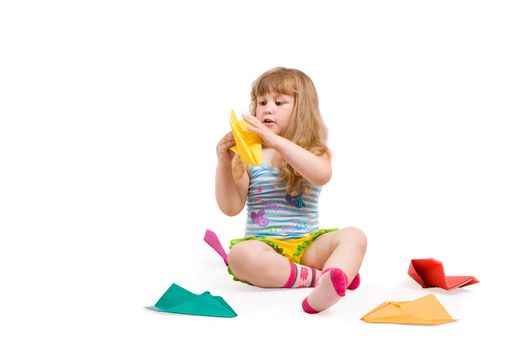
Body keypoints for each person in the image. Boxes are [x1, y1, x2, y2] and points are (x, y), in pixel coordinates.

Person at [215, 67, 367, 314]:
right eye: (261, 102)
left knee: (355, 236)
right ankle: (322, 279)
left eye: (279, 102)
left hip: (308, 246)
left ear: (302, 109)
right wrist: (224, 163)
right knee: (240, 255)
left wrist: (276, 142)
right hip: (264, 246)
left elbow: (321, 175)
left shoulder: (312, 151)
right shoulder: (250, 157)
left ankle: (333, 277)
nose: (267, 108)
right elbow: (230, 207)